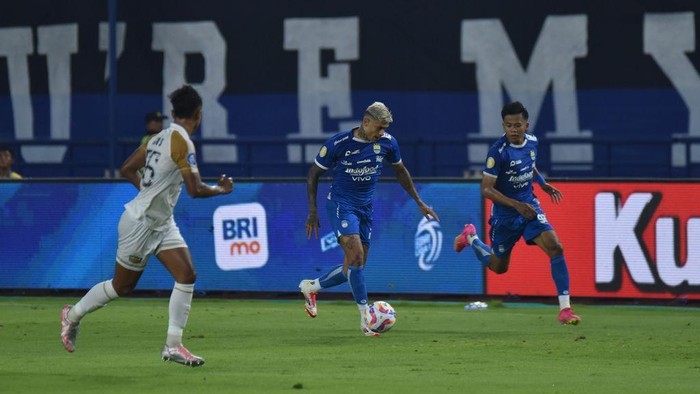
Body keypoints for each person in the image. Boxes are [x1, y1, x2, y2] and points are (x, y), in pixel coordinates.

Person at [60, 85, 234, 366]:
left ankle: (173, 346)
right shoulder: (183, 143)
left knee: (187, 275)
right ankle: (72, 315)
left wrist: (149, 193)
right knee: (121, 287)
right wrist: (222, 190)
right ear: (199, 115)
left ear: (174, 113)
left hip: (162, 222)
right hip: (139, 224)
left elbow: (127, 168)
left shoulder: (156, 138)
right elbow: (195, 189)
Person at [299, 101, 440, 336]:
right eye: (378, 128)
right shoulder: (339, 144)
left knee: (353, 268)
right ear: (366, 122)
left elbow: (401, 172)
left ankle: (311, 287)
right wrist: (312, 211)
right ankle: (366, 318)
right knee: (356, 256)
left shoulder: (387, 143)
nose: (381, 133)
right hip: (341, 205)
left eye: (384, 129)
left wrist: (419, 202)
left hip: (366, 208)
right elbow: (313, 174)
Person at [453, 101, 580, 325]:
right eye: (508, 125)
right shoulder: (498, 153)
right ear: (503, 126)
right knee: (498, 267)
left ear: (526, 126)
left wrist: (542, 184)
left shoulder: (533, 143)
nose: (513, 129)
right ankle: (471, 238)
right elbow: (486, 189)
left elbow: (529, 165)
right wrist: (515, 205)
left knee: (555, 247)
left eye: (517, 125)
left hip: (529, 207)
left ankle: (565, 310)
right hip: (505, 216)